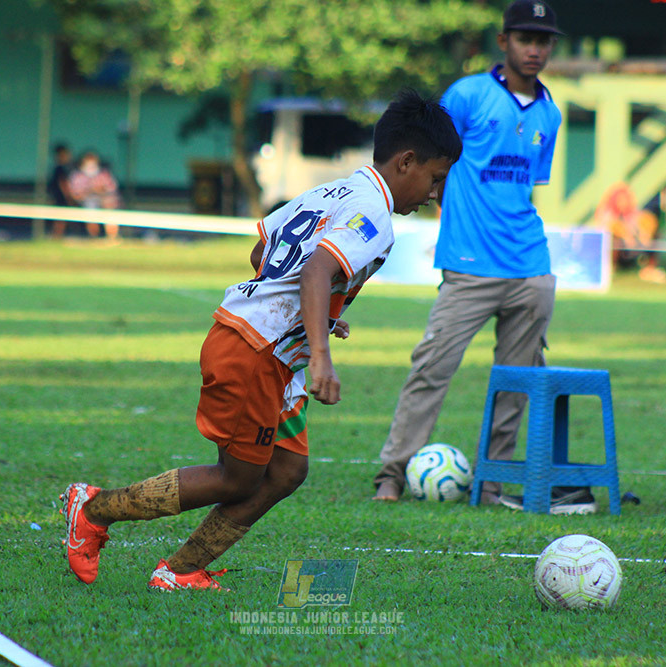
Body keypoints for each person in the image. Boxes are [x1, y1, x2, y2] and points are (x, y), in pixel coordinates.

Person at [58, 89, 462, 590]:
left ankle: (181, 571)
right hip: (255, 351)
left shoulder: (334, 191)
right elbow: (316, 271)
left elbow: (262, 253)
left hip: (264, 345)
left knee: (289, 470)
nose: (434, 194)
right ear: (406, 162)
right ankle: (94, 509)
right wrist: (320, 354)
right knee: (239, 477)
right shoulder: (375, 217)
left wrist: (313, 317)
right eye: (435, 178)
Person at [371, 0, 595, 515]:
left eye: (543, 41)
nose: (535, 49)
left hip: (531, 266)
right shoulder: (468, 95)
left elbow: (525, 187)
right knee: (431, 368)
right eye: (525, 38)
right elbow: (435, 166)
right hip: (469, 264)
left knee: (517, 382)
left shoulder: (549, 112)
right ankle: (392, 475)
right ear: (504, 41)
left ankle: (492, 482)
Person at [68, 150, 121, 242]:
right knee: (90, 209)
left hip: (104, 200)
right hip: (86, 201)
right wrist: (88, 191)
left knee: (109, 207)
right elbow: (74, 194)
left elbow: (112, 188)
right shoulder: (77, 176)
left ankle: (112, 237)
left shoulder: (104, 174)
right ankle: (94, 237)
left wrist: (101, 190)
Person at [47, 143, 77, 238]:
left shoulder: (63, 168)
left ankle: (57, 235)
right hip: (61, 197)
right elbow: (63, 184)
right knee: (60, 217)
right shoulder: (60, 168)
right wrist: (69, 196)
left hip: (60, 196)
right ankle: (57, 235)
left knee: (61, 217)